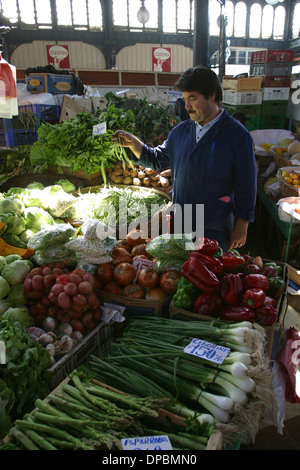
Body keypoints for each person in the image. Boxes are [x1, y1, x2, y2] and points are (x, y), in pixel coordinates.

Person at [112, 66, 257, 252]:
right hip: (181, 222)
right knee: (180, 272)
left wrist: (242, 226)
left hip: (214, 225)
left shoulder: (237, 136)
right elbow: (157, 159)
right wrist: (134, 143)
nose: (187, 106)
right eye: (185, 99)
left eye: (192, 99)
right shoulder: (180, 132)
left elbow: (247, 185)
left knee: (210, 274)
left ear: (212, 96)